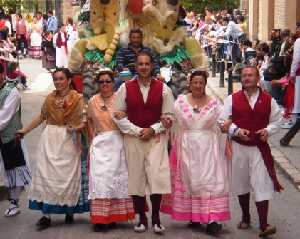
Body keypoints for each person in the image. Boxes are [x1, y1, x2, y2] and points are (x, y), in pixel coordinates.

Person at [17, 68, 88, 231]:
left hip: (69, 140)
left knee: (67, 178)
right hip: (49, 139)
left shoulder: (78, 98)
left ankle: (69, 210)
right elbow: (41, 116)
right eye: (55, 79)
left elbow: (85, 120)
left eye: (61, 79)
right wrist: (25, 130)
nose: (58, 82)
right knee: (46, 175)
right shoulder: (49, 98)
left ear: (69, 80)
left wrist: (76, 128)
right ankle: (45, 216)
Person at [160, 70, 231, 235]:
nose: (198, 85)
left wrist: (226, 125)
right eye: (195, 82)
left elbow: (222, 122)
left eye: (201, 83)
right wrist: (168, 123)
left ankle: (212, 219)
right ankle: (195, 215)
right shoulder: (180, 102)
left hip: (208, 149)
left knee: (209, 182)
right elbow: (172, 120)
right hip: (187, 148)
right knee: (190, 182)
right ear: (189, 84)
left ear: (205, 84)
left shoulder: (214, 103)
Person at [114, 51, 174, 234]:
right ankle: (142, 218)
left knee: (156, 177)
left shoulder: (164, 89)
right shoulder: (125, 88)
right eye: (140, 64)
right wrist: (137, 130)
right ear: (136, 66)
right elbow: (118, 115)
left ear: (152, 66)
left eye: (147, 64)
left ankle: (156, 219)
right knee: (136, 178)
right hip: (134, 139)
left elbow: (169, 116)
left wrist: (153, 129)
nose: (144, 67)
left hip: (156, 139)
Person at [219, 66, 282, 238]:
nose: (247, 78)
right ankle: (246, 216)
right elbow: (222, 121)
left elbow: (277, 120)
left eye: (250, 75)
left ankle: (264, 224)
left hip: (259, 149)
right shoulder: (232, 99)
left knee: (262, 183)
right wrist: (237, 131)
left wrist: (268, 131)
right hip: (239, 148)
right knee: (241, 183)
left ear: (257, 77)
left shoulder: (269, 100)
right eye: (244, 75)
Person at [87, 68, 135, 231]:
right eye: (101, 82)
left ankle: (113, 217)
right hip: (100, 145)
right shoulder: (92, 101)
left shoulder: (121, 100)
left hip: (118, 144)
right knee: (100, 181)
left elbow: (129, 122)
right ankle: (100, 219)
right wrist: (93, 141)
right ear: (97, 84)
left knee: (115, 182)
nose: (105, 84)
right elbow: (89, 123)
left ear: (113, 82)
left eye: (108, 81)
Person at [0, 63, 31, 217]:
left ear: (1, 74)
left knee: (14, 171)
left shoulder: (12, 92)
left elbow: (3, 118)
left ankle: (14, 202)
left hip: (11, 138)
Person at [280, 22, 300, 146]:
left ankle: (287, 138)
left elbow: (296, 59)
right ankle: (287, 138)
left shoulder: (298, 42)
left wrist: (292, 74)